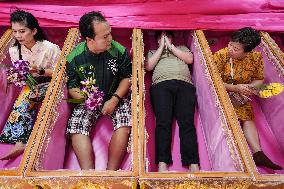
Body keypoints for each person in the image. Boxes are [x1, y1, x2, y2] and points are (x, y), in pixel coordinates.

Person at [66, 11, 132, 170]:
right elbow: (73, 87)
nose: (110, 39)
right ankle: (89, 175)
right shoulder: (74, 57)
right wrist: (86, 98)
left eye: (110, 33)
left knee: (125, 124)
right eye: (104, 37)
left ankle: (110, 174)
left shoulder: (119, 51)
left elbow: (126, 78)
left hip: (117, 95)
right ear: (89, 39)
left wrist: (115, 99)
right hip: (89, 99)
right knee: (76, 126)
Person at [213, 27, 282, 170]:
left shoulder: (255, 58)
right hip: (221, 92)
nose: (230, 49)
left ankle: (258, 154)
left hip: (242, 94)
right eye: (230, 44)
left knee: (248, 118)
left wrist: (250, 88)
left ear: (248, 51)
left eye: (236, 48)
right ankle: (233, 160)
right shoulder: (221, 55)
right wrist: (235, 88)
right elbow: (213, 81)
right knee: (228, 119)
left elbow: (259, 79)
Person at [0, 10, 61, 160]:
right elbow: (19, 74)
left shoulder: (50, 48)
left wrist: (39, 71)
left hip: (53, 83)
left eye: (22, 31)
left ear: (34, 31)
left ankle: (24, 142)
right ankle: (20, 141)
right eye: (14, 31)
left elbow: (61, 73)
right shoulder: (15, 50)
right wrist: (15, 76)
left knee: (29, 97)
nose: (18, 35)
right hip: (31, 84)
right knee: (23, 99)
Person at [145, 30, 199, 172]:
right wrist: (162, 48)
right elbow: (148, 66)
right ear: (157, 40)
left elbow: (190, 60)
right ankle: (162, 163)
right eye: (161, 37)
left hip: (184, 85)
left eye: (167, 36)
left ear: (172, 38)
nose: (165, 38)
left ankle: (193, 163)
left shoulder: (181, 48)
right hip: (161, 85)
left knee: (187, 123)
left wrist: (171, 47)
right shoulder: (152, 52)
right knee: (163, 123)